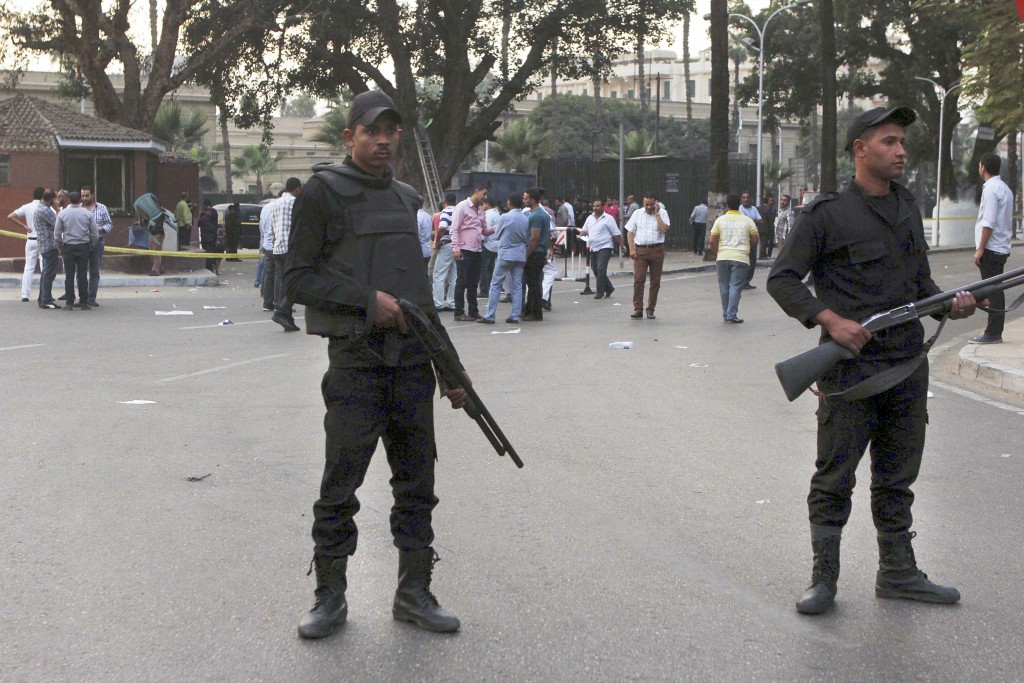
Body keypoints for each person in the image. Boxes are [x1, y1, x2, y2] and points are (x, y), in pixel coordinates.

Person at [766, 105, 981, 616]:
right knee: (834, 476)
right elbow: (782, 279)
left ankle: (899, 573)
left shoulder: (908, 206)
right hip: (850, 371)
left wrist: (949, 301)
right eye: (889, 142)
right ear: (860, 149)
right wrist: (831, 321)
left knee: (897, 477)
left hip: (907, 365)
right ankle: (823, 579)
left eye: (902, 142)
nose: (901, 151)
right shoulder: (826, 214)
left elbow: (918, 283)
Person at [284, 90, 466, 639]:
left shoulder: (408, 197)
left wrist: (451, 371)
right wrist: (367, 302)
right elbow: (296, 278)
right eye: (371, 131)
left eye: (391, 131)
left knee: (417, 486)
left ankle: (414, 593)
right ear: (349, 137)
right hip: (356, 367)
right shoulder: (321, 193)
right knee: (339, 488)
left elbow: (419, 297)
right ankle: (329, 598)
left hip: (411, 366)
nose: (382, 140)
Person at [969, 152, 1014, 344]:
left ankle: (993, 332)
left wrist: (980, 249)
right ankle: (994, 330)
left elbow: (988, 223)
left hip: (991, 248)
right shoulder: (1005, 188)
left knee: (992, 291)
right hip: (1001, 247)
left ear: (983, 167)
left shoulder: (990, 190)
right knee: (996, 290)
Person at [478, 194, 530, 324]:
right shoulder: (525, 218)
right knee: (517, 285)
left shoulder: (505, 217)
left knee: (495, 284)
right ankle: (515, 315)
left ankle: (490, 315)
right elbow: (526, 237)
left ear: (510, 203)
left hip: (506, 253)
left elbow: (497, 234)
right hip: (520, 254)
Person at [709, 194, 758, 323]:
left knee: (724, 287)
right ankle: (731, 315)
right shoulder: (748, 221)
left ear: (727, 205)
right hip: (741, 257)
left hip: (723, 256)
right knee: (735, 286)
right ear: (740, 205)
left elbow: (712, 240)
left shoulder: (720, 220)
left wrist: (717, 253)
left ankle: (726, 314)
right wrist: (746, 247)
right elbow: (755, 239)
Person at [624, 193, 670, 320]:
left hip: (657, 250)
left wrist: (657, 214)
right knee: (639, 279)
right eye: (646, 204)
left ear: (656, 203)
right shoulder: (637, 213)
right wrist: (631, 249)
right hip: (641, 251)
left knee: (655, 282)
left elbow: (664, 230)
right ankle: (638, 309)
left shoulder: (663, 213)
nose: (648, 207)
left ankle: (650, 309)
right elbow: (630, 232)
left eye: (651, 204)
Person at [53, 191, 98, 310]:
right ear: (80, 201)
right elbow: (95, 234)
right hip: (83, 245)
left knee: (69, 275)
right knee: (82, 275)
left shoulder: (62, 214)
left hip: (68, 246)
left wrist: (60, 247)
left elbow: (57, 234)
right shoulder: (87, 214)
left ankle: (69, 303)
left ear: (68, 200)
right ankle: (84, 302)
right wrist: (91, 246)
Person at [450, 185, 489, 321]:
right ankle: (459, 312)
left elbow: (484, 230)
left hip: (477, 249)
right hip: (464, 249)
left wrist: (498, 227)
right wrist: (456, 248)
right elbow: (454, 229)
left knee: (473, 282)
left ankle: (473, 311)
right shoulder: (462, 206)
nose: (485, 198)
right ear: (476, 191)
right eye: (483, 194)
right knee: (462, 281)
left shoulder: (480, 210)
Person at [270, 177, 302, 331]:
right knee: (298, 282)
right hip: (291, 248)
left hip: (277, 248)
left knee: (284, 282)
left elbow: (272, 228)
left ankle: (287, 319)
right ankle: (282, 311)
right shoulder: (295, 202)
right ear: (297, 189)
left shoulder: (275, 204)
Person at [579, 199, 622, 299]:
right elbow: (584, 230)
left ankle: (599, 292)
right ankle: (609, 288)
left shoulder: (608, 219)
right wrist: (580, 235)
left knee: (601, 269)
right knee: (595, 270)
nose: (595, 208)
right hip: (593, 247)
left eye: (598, 206)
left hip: (605, 247)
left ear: (603, 207)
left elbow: (616, 234)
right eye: (594, 206)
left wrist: (622, 246)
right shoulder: (590, 218)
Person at [8, 186, 44, 303]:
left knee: (28, 267)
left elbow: (10, 216)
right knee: (45, 268)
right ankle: (44, 293)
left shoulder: (27, 207)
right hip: (43, 240)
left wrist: (24, 226)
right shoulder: (46, 208)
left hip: (30, 239)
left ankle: (25, 294)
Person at [521, 187, 550, 321]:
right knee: (532, 283)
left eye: (526, 198)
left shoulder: (537, 215)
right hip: (538, 252)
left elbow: (534, 238)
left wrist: (526, 255)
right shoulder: (536, 214)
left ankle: (535, 312)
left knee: (533, 284)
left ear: (533, 200)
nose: (524, 200)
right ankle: (529, 309)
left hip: (535, 253)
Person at [81, 186, 112, 307]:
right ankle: (82, 297)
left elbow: (109, 223)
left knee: (94, 270)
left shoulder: (102, 208)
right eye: (82, 196)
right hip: (82, 242)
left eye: (87, 195)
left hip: (97, 241)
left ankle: (91, 297)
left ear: (92, 195)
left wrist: (102, 229)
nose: (84, 198)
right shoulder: (78, 208)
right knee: (81, 271)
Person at [33, 189, 60, 309]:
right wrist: (58, 209)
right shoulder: (45, 210)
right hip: (49, 245)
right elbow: (59, 223)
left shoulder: (41, 208)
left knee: (45, 273)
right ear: (52, 199)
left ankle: (42, 298)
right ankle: (46, 299)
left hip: (44, 245)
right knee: (49, 273)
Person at [431, 193, 458, 312]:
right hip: (458, 246)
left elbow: (442, 227)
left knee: (438, 275)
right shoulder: (459, 211)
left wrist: (437, 241)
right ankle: (452, 302)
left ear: (444, 202)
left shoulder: (446, 212)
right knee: (454, 276)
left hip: (446, 244)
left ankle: (438, 303)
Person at [258, 192, 280, 309]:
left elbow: (261, 226)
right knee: (279, 275)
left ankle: (267, 302)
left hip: (267, 245)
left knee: (268, 274)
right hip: (277, 245)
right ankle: (278, 302)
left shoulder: (265, 207)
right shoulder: (280, 206)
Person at [739, 192, 762, 289]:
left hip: (753, 237)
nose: (746, 199)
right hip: (744, 238)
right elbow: (744, 221)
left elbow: (761, 221)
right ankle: (742, 282)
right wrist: (753, 221)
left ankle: (747, 281)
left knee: (752, 261)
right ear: (741, 199)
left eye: (747, 197)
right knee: (744, 261)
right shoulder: (740, 208)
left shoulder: (754, 209)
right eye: (744, 197)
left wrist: (750, 220)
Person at [478, 196, 500, 298]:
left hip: (488, 244)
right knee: (491, 268)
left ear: (487, 204)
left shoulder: (489, 215)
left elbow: (485, 229)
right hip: (496, 244)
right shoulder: (497, 214)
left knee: (484, 268)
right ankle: (490, 288)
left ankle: (484, 289)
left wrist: (480, 241)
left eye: (483, 204)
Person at [197, 200, 222, 275]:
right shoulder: (206, 218)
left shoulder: (206, 215)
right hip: (209, 238)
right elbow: (211, 227)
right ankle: (209, 268)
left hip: (207, 238)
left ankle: (210, 267)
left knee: (209, 253)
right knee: (209, 254)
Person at [417, 196, 433, 266]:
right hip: (428, 249)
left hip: (419, 250)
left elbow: (416, 234)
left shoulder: (417, 216)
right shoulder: (428, 215)